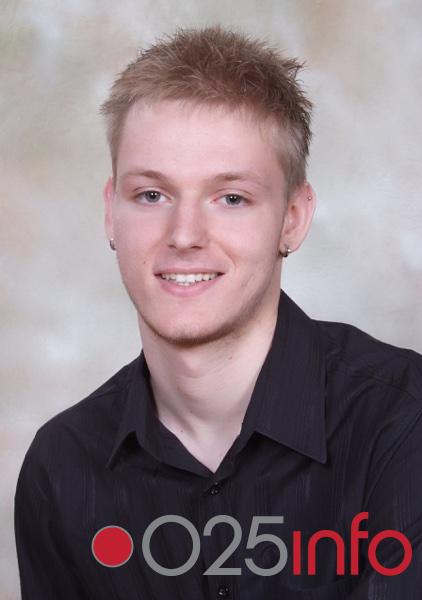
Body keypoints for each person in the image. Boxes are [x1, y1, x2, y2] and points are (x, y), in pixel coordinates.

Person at [14, 25, 422, 599]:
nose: (185, 235)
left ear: (293, 219)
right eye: (152, 195)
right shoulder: (61, 469)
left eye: (231, 198)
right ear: (111, 213)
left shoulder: (403, 424)